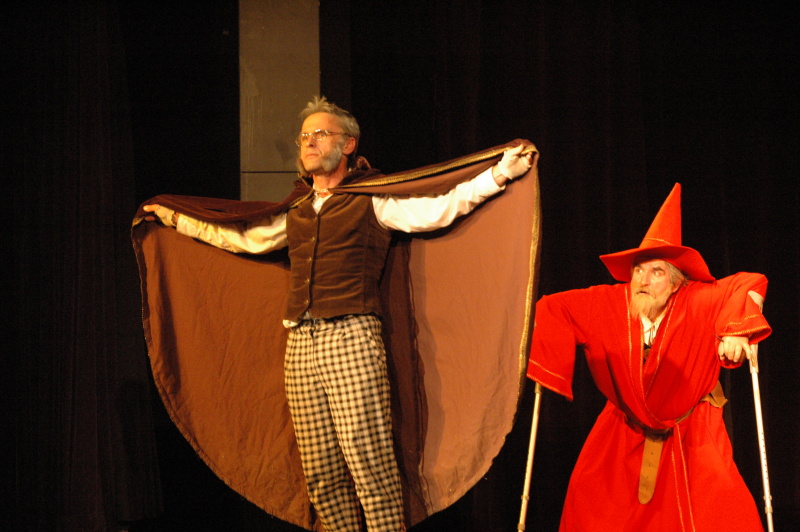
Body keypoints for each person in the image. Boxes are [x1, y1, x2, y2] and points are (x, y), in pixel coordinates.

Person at [142, 96, 534, 532]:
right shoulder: (296, 210)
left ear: (348, 145)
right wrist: (179, 221)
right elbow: (244, 237)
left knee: (369, 465)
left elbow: (438, 208)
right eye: (304, 136)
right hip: (300, 344)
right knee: (321, 474)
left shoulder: (371, 200)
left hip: (351, 336)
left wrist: (499, 175)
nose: (309, 142)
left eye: (320, 134)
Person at [526, 183, 771, 531]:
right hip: (624, 429)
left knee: (719, 509)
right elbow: (554, 307)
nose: (643, 280)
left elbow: (750, 282)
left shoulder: (696, 300)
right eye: (638, 270)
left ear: (676, 282)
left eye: (656, 272)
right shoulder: (610, 302)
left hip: (691, 431)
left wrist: (735, 331)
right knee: (592, 504)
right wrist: (550, 361)